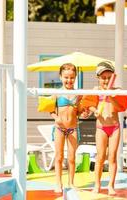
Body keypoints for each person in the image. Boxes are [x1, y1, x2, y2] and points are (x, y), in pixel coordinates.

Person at [88, 61, 124, 195]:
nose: (106, 80)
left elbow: (121, 108)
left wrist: (110, 96)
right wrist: (94, 110)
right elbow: (90, 104)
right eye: (103, 78)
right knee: (100, 156)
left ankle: (110, 185)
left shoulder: (117, 91)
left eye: (109, 78)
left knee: (112, 156)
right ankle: (97, 185)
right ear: (98, 78)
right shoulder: (95, 91)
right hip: (101, 127)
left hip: (115, 127)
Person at [50, 63, 82, 193]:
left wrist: (82, 113)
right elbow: (51, 110)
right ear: (60, 77)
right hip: (59, 128)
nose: (69, 80)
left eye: (72, 77)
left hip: (73, 128)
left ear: (75, 77)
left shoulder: (78, 94)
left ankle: (71, 182)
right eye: (66, 77)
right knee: (58, 157)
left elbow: (79, 111)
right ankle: (58, 183)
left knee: (72, 158)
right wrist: (55, 117)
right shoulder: (56, 93)